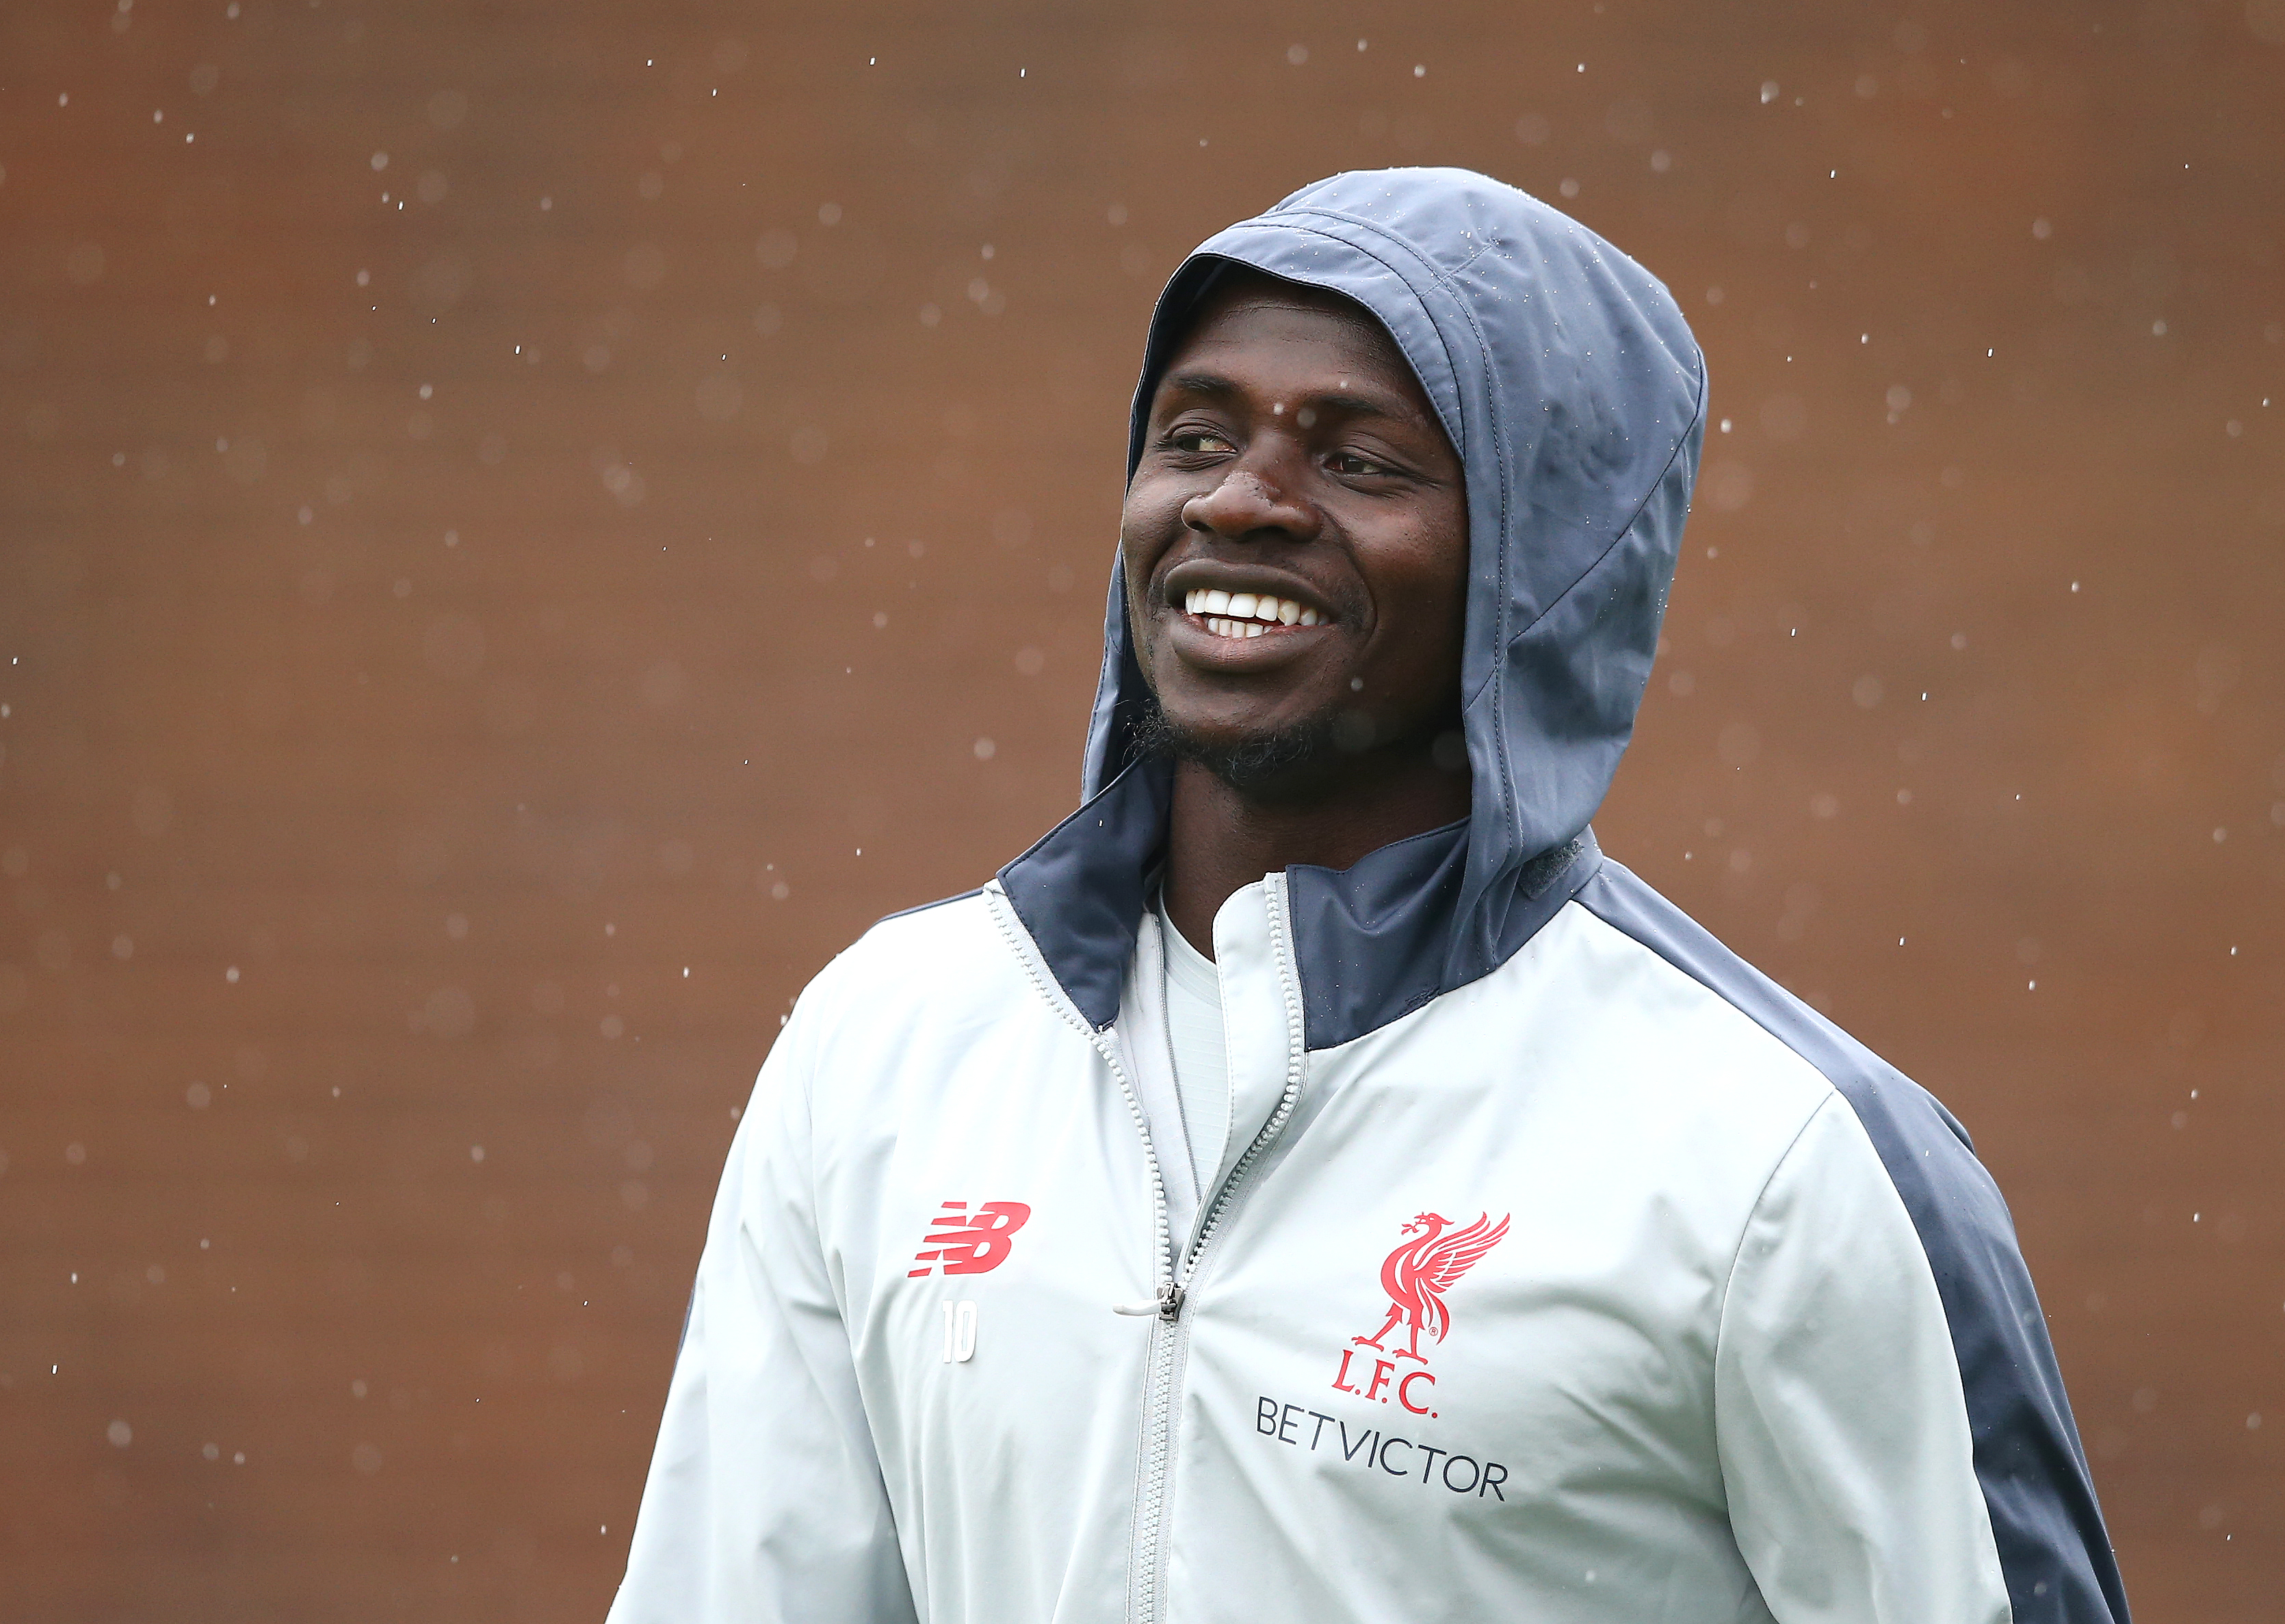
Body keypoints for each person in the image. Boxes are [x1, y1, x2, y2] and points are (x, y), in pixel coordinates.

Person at [605, 168, 2130, 1623]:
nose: (1240, 502)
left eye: (1358, 458)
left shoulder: (1783, 1160)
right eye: (1193, 437)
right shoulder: (889, 1043)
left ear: (1539, 566)